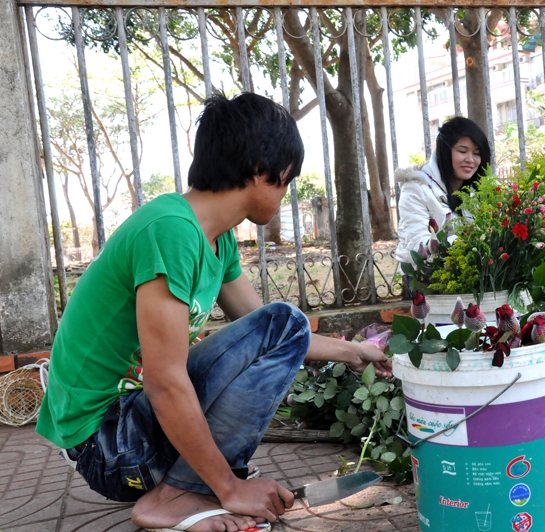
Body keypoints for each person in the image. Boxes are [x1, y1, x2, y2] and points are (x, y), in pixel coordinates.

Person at [36, 93, 391, 532]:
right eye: (286, 180)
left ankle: (189, 485)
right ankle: (175, 496)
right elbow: (164, 381)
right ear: (261, 170)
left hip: (135, 434)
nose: (286, 193)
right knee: (283, 320)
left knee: (280, 325)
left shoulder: (216, 240)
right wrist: (228, 487)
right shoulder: (170, 231)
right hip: (108, 447)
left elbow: (272, 334)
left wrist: (354, 351)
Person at [395, 116, 491, 265]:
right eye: (463, 151)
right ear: (445, 151)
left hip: (473, 278)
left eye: (477, 153)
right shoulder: (416, 189)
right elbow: (417, 248)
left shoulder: (479, 192)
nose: (471, 159)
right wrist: (468, 241)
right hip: (427, 281)